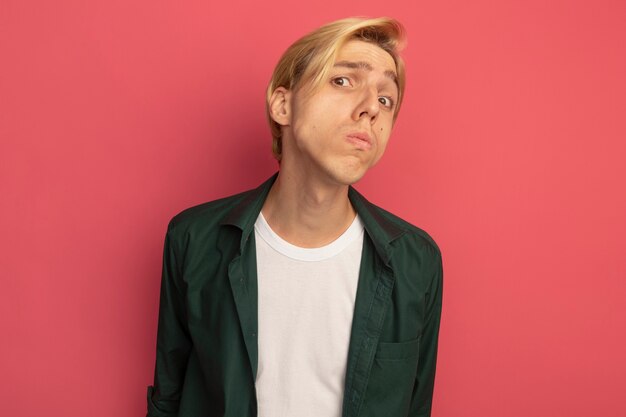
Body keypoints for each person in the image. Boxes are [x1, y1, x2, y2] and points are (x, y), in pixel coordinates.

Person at [146, 16, 443, 417]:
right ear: (283, 104)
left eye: (386, 98)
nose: (371, 107)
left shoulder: (416, 259)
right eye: (343, 81)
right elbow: (170, 396)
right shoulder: (194, 239)